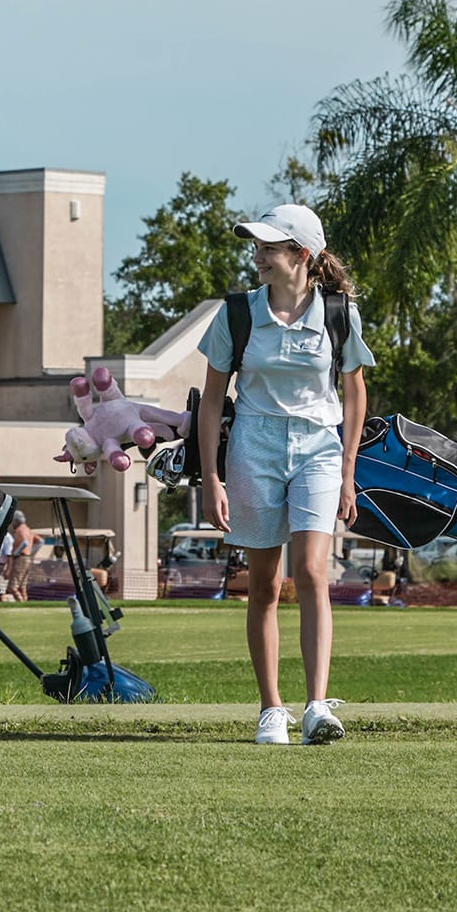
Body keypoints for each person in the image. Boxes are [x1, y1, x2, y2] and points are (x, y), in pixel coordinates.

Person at [198, 204, 374, 745]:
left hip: (320, 449)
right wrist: (212, 477)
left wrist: (348, 472)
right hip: (254, 446)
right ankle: (272, 709)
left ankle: (318, 706)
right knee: (265, 585)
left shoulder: (339, 313)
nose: (259, 258)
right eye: (257, 248)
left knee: (314, 572)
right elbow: (210, 402)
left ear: (303, 255)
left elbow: (355, 393)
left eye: (270, 249)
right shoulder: (236, 314)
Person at [1, 511, 39, 601]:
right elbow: (40, 541)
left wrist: (16, 553)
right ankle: (25, 602)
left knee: (12, 587)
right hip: (28, 559)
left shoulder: (20, 530)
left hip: (21, 559)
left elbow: (25, 542)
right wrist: (30, 553)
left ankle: (21, 603)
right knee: (22, 586)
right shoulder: (28, 529)